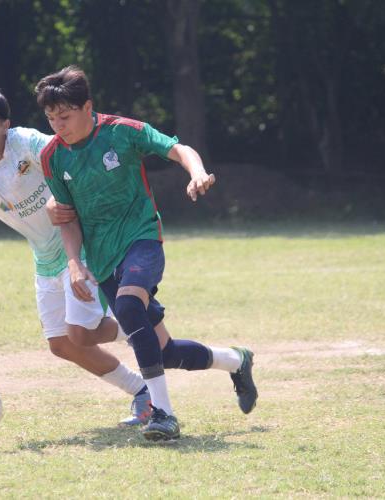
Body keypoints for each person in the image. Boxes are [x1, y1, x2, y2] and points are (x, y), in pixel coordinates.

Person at [37, 66, 258, 441]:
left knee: (127, 309)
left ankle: (163, 414)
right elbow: (67, 218)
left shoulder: (123, 132)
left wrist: (197, 172)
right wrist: (75, 263)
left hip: (142, 239)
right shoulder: (53, 158)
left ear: (87, 107)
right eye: (51, 118)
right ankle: (236, 361)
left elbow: (178, 148)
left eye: (66, 116)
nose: (59, 125)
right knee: (164, 352)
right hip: (103, 259)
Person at [0, 83, 152, 425]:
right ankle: (139, 385)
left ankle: (141, 333)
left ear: (6, 124)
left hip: (78, 247)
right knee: (61, 345)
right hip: (44, 259)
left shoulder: (28, 142)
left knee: (81, 333)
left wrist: (58, 199)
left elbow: (69, 157)